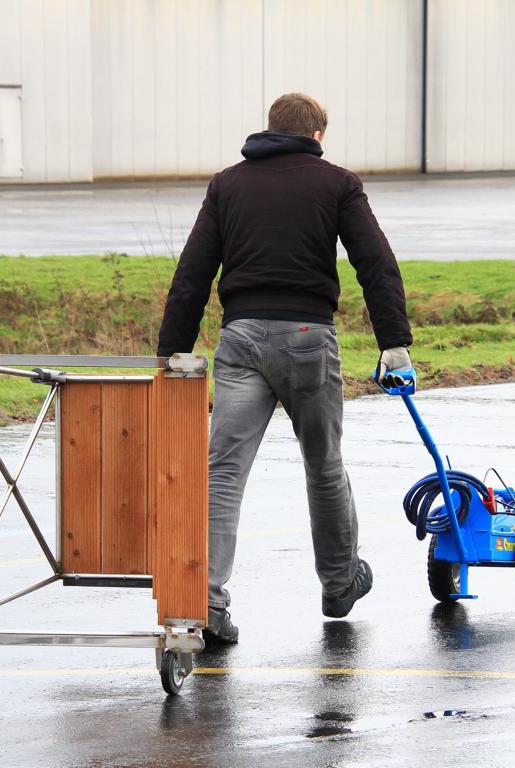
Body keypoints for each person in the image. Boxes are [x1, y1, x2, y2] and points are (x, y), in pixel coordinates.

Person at [155, 93, 413, 645]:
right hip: (307, 339)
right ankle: (339, 583)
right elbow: (375, 262)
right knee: (323, 464)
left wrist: (171, 350)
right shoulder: (338, 184)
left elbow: (193, 271)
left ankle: (207, 601)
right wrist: (394, 343)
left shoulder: (227, 184)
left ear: (271, 130)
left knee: (223, 472)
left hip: (240, 339)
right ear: (316, 136)